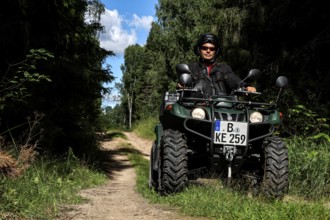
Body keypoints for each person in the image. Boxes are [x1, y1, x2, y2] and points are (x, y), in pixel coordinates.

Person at [179, 33, 256, 97]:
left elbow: (232, 79)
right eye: (205, 48)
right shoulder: (191, 68)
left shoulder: (224, 68)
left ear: (216, 51)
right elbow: (182, 83)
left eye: (212, 49)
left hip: (221, 106)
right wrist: (182, 85)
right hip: (196, 108)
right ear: (199, 49)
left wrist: (245, 86)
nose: (208, 51)